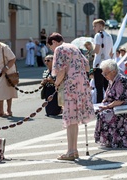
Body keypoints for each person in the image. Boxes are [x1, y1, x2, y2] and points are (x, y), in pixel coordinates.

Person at [47, 32, 95, 161]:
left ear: (54, 42)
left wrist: (56, 83)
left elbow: (61, 70)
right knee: (74, 119)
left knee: (70, 118)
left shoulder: (60, 49)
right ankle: (73, 150)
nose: (52, 50)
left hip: (71, 84)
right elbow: (87, 66)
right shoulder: (74, 47)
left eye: (50, 47)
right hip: (81, 84)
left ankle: (70, 151)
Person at [92, 19, 113, 103]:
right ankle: (108, 103)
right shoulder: (109, 36)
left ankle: (99, 105)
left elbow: (97, 50)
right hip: (108, 64)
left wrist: (92, 50)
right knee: (107, 86)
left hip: (99, 64)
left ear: (100, 26)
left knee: (99, 88)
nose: (94, 28)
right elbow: (111, 52)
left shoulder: (98, 35)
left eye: (95, 26)